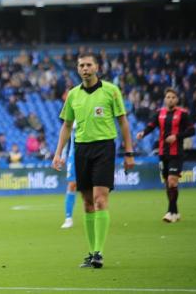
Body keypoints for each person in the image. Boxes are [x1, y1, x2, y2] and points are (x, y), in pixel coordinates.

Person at [51, 52, 135, 269]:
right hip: (81, 149)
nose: (85, 68)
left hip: (104, 147)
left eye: (89, 65)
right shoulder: (73, 95)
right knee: (87, 203)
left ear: (97, 67)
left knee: (100, 199)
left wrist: (129, 152)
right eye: (81, 65)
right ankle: (91, 252)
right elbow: (67, 126)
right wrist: (58, 152)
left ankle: (99, 252)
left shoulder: (111, 91)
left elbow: (123, 122)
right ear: (77, 69)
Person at [136, 88, 195, 223]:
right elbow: (151, 126)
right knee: (169, 184)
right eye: (168, 97)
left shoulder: (183, 114)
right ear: (164, 99)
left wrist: (177, 136)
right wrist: (142, 133)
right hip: (163, 153)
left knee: (172, 181)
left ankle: (170, 212)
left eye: (173, 97)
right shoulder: (159, 113)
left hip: (176, 153)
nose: (170, 99)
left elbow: (192, 130)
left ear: (177, 99)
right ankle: (175, 212)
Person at [61, 123, 77, 229]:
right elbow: (66, 135)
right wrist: (62, 155)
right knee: (72, 185)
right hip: (74, 155)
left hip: (93, 153)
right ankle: (68, 218)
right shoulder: (73, 114)